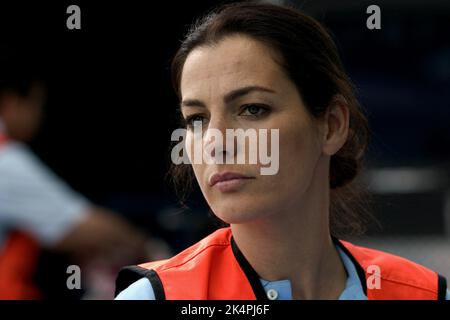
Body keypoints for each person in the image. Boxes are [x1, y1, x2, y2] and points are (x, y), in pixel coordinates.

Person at [115, 2, 449, 300]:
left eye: (252, 109)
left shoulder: (425, 293)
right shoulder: (155, 297)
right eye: (197, 119)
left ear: (331, 125)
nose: (215, 142)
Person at [0, 44, 169, 299]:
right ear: (13, 103)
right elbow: (85, 228)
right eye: (37, 106)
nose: (39, 117)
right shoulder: (6, 160)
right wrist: (152, 249)